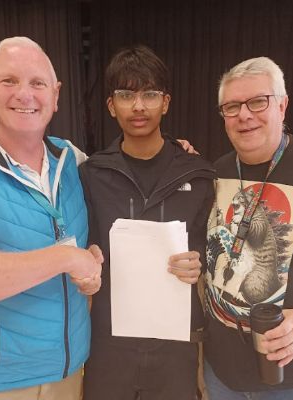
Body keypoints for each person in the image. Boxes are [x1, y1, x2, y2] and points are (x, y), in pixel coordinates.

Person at [0, 36, 103, 399]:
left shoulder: (71, 158)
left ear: (56, 94)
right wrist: (66, 257)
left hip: (68, 370)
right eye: (9, 81)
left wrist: (90, 258)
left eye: (37, 83)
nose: (24, 94)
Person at [204, 56, 293, 399]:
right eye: (232, 106)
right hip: (223, 375)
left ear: (282, 106)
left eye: (258, 101)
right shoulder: (217, 171)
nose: (244, 115)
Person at [80, 45, 216, 400]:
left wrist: (198, 261)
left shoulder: (198, 175)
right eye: (126, 95)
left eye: (150, 94)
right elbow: (84, 244)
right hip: (109, 342)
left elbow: (209, 245)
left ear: (165, 103)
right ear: (111, 105)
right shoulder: (91, 175)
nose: (138, 106)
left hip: (175, 342)